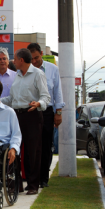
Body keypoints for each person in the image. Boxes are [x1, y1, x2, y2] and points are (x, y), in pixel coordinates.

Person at [1, 48, 50, 195]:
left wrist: (38, 104)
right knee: (14, 149)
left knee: (32, 151)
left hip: (32, 115)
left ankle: (33, 184)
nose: (13, 62)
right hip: (16, 115)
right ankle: (16, 184)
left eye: (15, 59)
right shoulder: (17, 75)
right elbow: (11, 99)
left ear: (21, 60)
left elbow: (46, 97)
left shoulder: (38, 74)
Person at [27, 43, 65, 188]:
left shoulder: (52, 70)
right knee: (31, 145)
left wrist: (58, 113)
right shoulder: (26, 70)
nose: (34, 61)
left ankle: (43, 178)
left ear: (41, 53)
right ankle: (31, 179)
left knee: (45, 145)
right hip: (30, 111)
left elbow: (57, 93)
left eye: (36, 57)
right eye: (32, 59)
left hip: (47, 111)